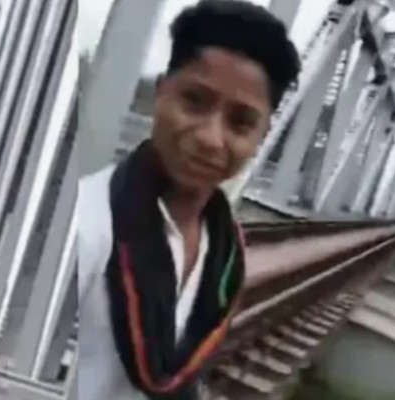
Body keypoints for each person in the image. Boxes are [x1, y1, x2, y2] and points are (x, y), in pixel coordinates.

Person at [77, 1, 301, 399]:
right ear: (161, 92)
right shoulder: (87, 224)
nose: (210, 138)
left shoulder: (227, 254)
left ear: (262, 136)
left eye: (240, 122)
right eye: (195, 101)